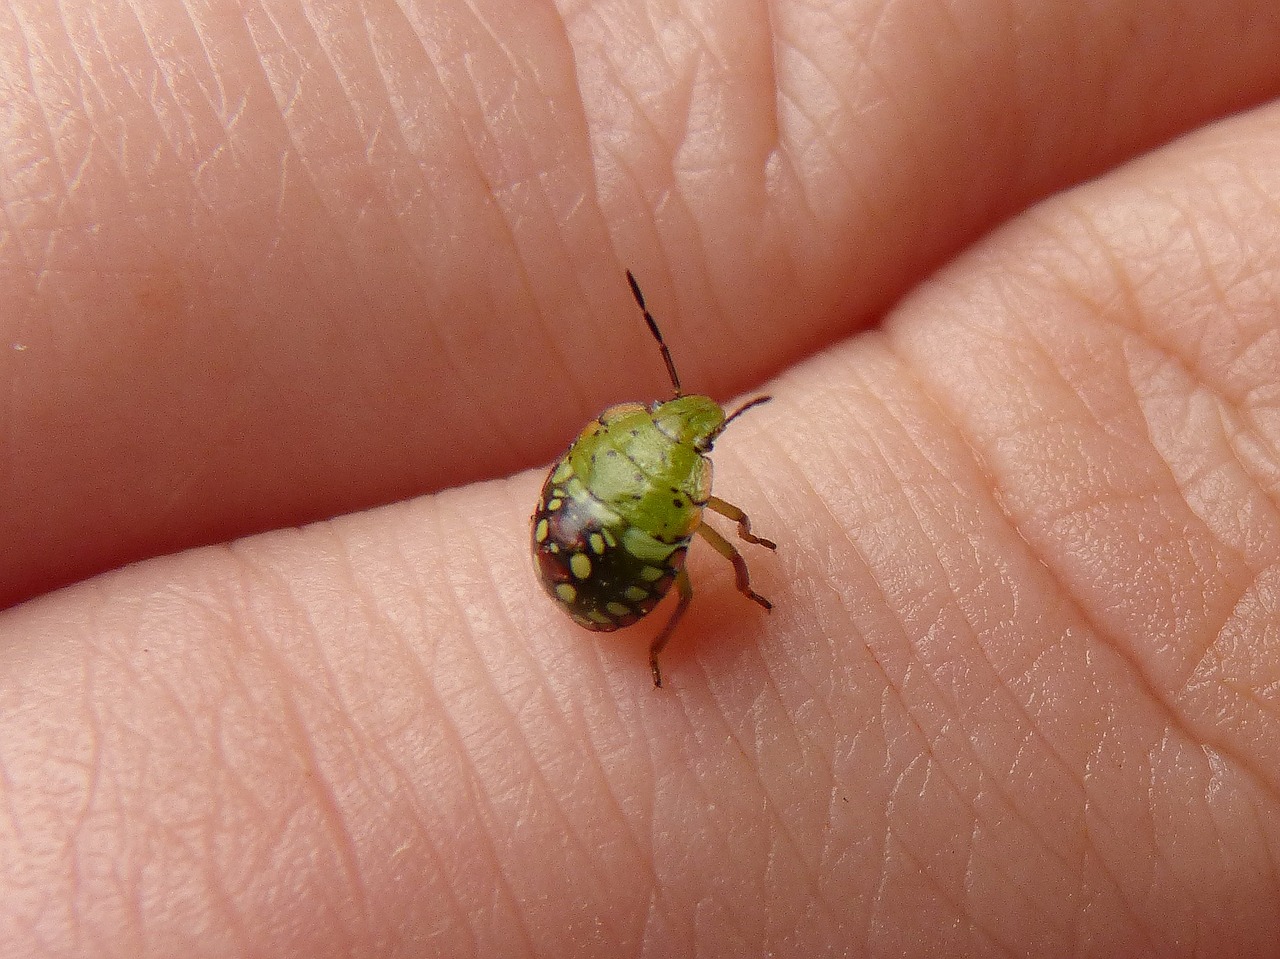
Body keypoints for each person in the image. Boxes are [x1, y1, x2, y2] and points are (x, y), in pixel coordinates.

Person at [3, 1, 1279, 955]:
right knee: (710, 565)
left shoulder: (622, 451)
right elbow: (711, 540)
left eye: (698, 430)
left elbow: (630, 498)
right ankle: (663, 646)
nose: (688, 430)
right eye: (689, 426)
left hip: (576, 544)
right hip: (597, 563)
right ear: (663, 441)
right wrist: (719, 598)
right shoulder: (678, 490)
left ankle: (663, 641)